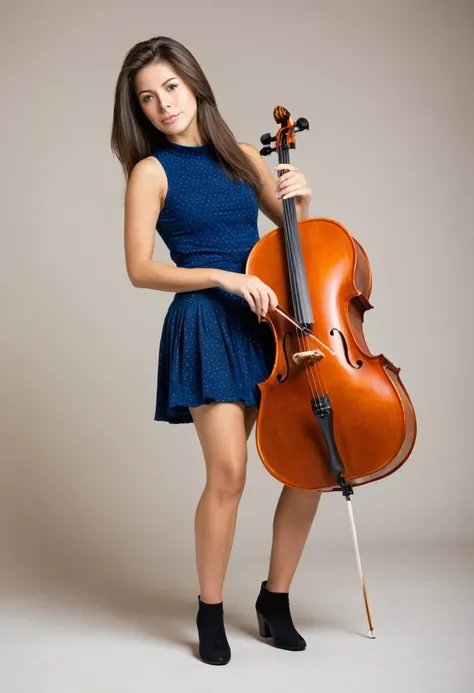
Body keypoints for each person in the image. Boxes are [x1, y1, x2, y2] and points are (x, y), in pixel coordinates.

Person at [110, 35, 321, 665]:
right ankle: (209, 611)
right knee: (229, 474)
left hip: (269, 322)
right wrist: (221, 276)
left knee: (308, 464)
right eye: (147, 98)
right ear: (139, 110)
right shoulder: (151, 171)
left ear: (195, 85)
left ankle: (275, 600)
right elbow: (139, 270)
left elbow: (295, 247)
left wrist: (302, 202)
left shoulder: (241, 159)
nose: (162, 105)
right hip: (206, 321)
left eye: (170, 88)